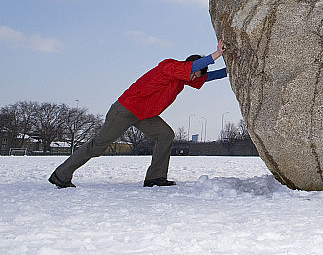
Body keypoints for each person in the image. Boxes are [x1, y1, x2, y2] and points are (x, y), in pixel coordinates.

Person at [49, 39, 228, 188]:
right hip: (125, 110)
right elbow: (196, 66)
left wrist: (231, 71)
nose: (195, 79)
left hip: (144, 115)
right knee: (99, 144)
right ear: (188, 66)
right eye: (195, 74)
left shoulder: (182, 79)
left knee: (165, 134)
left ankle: (155, 177)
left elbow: (209, 77)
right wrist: (216, 54)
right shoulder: (170, 66)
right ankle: (61, 175)